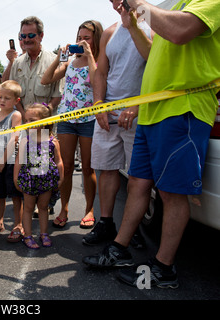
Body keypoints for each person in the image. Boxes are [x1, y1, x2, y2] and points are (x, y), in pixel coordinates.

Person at [83, 0, 220, 289]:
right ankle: (119, 249)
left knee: (171, 193)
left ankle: (163, 268)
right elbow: (150, 52)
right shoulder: (179, 5)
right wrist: (133, 25)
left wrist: (138, 4)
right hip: (153, 111)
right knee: (137, 183)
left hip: (182, 110)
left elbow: (179, 32)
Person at [82, 1, 153, 246]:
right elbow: (101, 72)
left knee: (138, 177)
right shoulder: (111, 32)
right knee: (107, 169)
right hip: (108, 114)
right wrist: (99, 103)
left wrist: (138, 104)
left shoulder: (153, 22)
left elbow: (156, 62)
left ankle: (130, 230)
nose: (117, 2)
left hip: (139, 113)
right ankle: (106, 223)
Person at [41, 20, 103, 230]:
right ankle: (64, 209)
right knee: (66, 167)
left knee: (87, 167)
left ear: (95, 39)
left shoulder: (99, 60)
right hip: (67, 119)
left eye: (87, 38)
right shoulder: (69, 63)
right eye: (79, 37)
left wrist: (90, 55)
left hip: (89, 120)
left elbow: (96, 82)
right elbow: (45, 79)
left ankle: (89, 210)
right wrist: (60, 56)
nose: (82, 41)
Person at [14, 103, 64, 249]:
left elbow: (58, 160)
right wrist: (16, 178)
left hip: (46, 180)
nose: (28, 123)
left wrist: (61, 177)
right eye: (26, 120)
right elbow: (19, 161)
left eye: (32, 120)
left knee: (43, 207)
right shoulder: (25, 141)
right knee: (28, 208)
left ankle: (44, 233)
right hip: (29, 180)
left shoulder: (52, 141)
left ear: (44, 122)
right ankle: (28, 235)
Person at [0, 80, 24, 242]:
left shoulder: (15, 115)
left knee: (15, 195)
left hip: (11, 161)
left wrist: (3, 160)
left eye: (7, 98)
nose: (2, 100)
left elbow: (14, 139)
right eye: (0, 97)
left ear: (16, 101)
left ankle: (18, 224)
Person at [9, 16, 64, 121]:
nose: (26, 39)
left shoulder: (54, 61)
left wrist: (44, 114)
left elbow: (58, 94)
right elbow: (13, 95)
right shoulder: (17, 63)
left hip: (45, 123)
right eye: (23, 36)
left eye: (31, 35)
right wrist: (24, 116)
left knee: (42, 138)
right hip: (23, 123)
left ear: (41, 36)